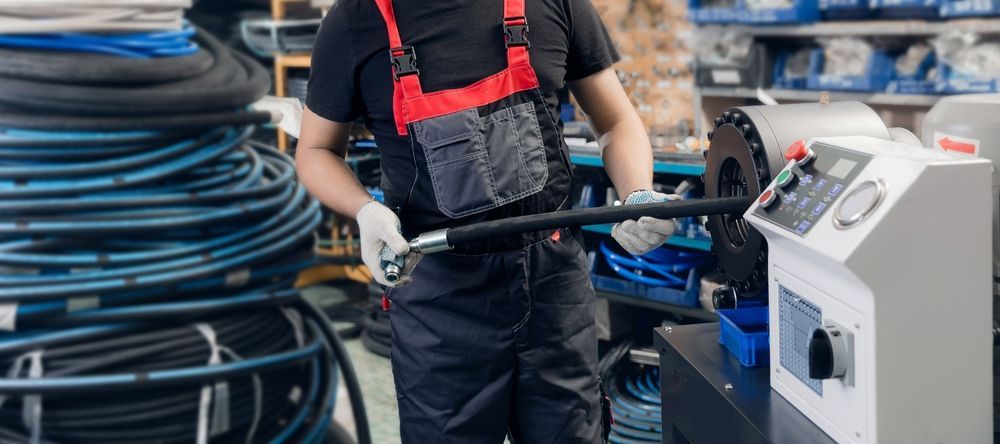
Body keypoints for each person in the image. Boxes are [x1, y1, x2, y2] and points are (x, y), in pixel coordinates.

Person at [296, 0, 676, 441]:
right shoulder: (354, 23)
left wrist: (637, 192)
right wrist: (365, 209)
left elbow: (614, 120)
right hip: (439, 297)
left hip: (553, 286)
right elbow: (315, 152)